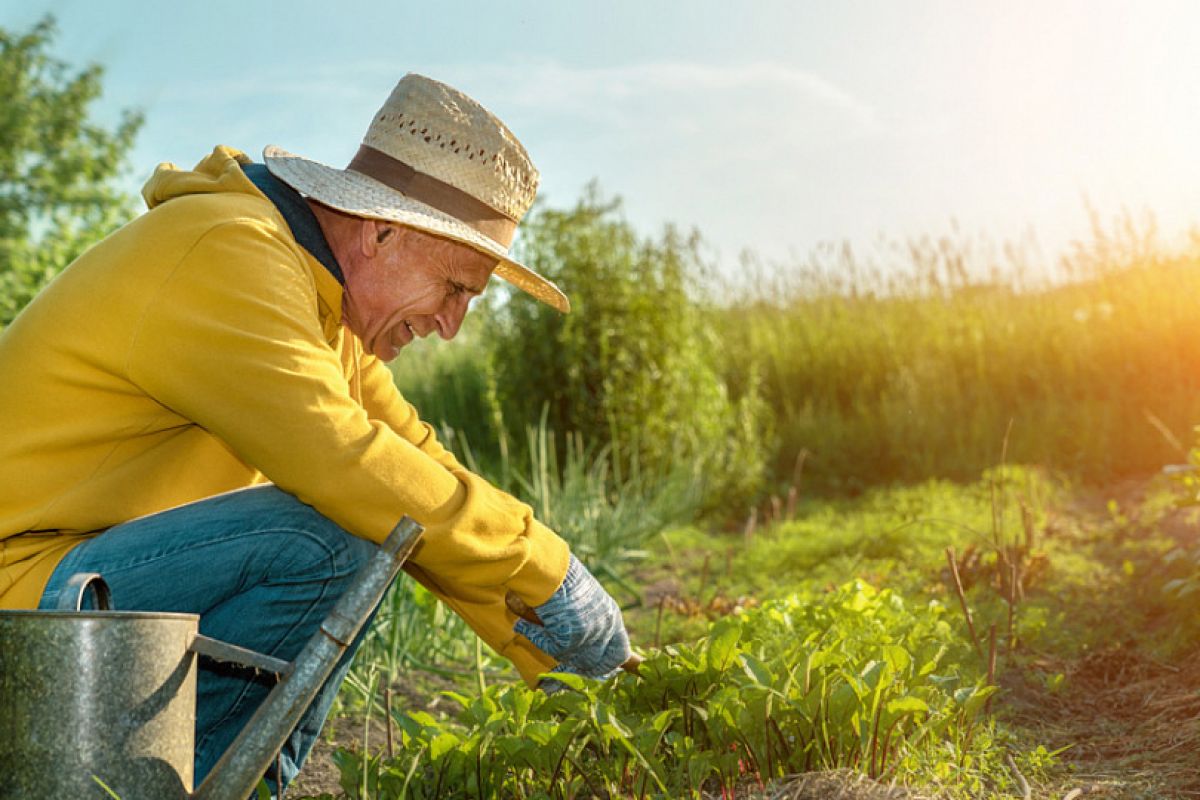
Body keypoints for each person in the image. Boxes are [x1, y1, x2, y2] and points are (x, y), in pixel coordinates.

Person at [0, 73, 631, 792]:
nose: (452, 327)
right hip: (25, 608)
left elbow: (413, 464)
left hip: (79, 598)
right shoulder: (226, 253)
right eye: (456, 289)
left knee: (370, 527)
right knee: (327, 540)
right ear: (383, 228)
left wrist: (551, 643)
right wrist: (547, 574)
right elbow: (347, 463)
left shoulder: (322, 311)